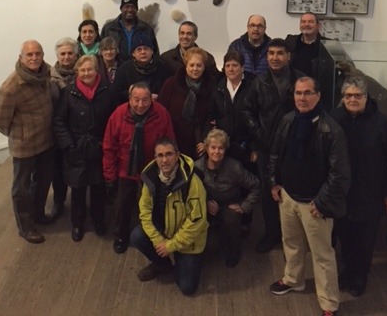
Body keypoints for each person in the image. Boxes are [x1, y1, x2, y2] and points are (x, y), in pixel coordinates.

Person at [268, 76, 350, 316]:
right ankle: (294, 279)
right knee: (291, 244)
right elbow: (275, 153)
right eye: (298, 93)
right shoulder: (288, 120)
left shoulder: (332, 130)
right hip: (288, 197)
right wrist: (274, 183)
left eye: (307, 93)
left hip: (315, 205)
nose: (302, 98)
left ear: (318, 95)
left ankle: (328, 304)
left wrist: (322, 202)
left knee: (322, 255)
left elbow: (340, 173)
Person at [331, 76, 387, 297]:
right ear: (343, 98)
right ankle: (348, 270)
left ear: (366, 97)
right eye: (348, 95)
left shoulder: (382, 123)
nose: (353, 99)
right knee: (345, 234)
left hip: (371, 193)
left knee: (365, 238)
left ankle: (360, 275)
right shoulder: (335, 118)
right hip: (343, 192)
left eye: (358, 95)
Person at [243, 38, 304, 253]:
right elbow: (247, 110)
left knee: (293, 192)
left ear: (288, 56)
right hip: (266, 148)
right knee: (269, 193)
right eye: (271, 53)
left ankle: (293, 237)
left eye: (279, 53)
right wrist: (259, 135)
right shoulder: (259, 82)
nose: (275, 58)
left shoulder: (300, 81)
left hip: (294, 147)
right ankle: (271, 234)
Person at [0, 40, 56, 244]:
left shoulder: (46, 73)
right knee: (22, 188)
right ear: (21, 58)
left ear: (43, 55)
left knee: (43, 180)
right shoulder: (10, 88)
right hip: (24, 146)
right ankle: (26, 227)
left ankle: (38, 214)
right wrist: (20, 133)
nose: (34, 58)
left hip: (46, 140)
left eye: (38, 53)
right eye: (29, 55)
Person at [102, 82, 175, 254]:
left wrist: (168, 168)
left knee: (154, 204)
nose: (140, 104)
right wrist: (110, 176)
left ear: (151, 99)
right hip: (125, 168)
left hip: (153, 167)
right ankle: (121, 235)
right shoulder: (118, 114)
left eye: (145, 100)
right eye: (136, 100)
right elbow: (109, 147)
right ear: (129, 99)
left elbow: (169, 141)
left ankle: (150, 235)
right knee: (123, 204)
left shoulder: (161, 113)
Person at [130, 137, 208, 295]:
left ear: (177, 155)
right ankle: (162, 263)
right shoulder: (149, 177)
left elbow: (197, 221)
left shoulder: (193, 182)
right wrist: (158, 240)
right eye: (160, 155)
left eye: (169, 154)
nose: (164, 160)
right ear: (155, 158)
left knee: (187, 287)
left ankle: (181, 260)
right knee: (136, 236)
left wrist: (171, 245)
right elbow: (144, 212)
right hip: (163, 230)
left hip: (188, 239)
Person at [53, 55, 116, 242]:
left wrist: (107, 143)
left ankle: (98, 220)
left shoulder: (108, 91)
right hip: (76, 148)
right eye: (82, 70)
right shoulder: (68, 92)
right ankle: (77, 224)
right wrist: (68, 145)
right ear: (77, 72)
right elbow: (59, 121)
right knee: (78, 189)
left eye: (90, 69)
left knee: (98, 188)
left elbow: (115, 119)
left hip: (100, 147)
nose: (86, 73)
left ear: (97, 71)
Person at [195, 129, 260, 267]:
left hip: (228, 205)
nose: (216, 152)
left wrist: (243, 206)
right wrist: (205, 202)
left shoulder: (234, 167)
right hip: (206, 204)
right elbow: (192, 193)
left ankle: (233, 251)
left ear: (225, 150)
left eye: (221, 148)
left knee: (231, 218)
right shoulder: (197, 167)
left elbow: (256, 185)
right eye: (213, 147)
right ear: (206, 148)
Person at [159, 47, 215, 159]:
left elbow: (212, 116)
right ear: (186, 65)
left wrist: (205, 140)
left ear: (204, 66)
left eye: (199, 65)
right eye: (191, 65)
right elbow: (161, 113)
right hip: (174, 139)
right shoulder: (170, 84)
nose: (195, 69)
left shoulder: (212, 86)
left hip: (199, 143)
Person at [207, 50, 254, 167]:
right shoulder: (217, 87)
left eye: (235, 65)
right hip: (223, 147)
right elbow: (211, 116)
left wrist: (255, 147)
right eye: (228, 66)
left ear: (242, 67)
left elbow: (257, 118)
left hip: (246, 146)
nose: (231, 69)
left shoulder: (252, 87)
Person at [49, 37, 78, 218]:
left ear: (76, 54)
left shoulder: (84, 73)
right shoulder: (48, 78)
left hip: (78, 128)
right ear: (57, 56)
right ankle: (59, 202)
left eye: (69, 53)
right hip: (57, 131)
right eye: (62, 54)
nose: (66, 57)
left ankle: (79, 204)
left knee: (77, 169)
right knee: (57, 170)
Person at [114, 32, 173, 103]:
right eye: (139, 49)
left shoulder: (164, 67)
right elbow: (116, 93)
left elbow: (172, 90)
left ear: (152, 51)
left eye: (146, 49)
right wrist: (130, 93)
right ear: (133, 53)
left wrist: (160, 97)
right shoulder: (124, 69)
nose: (143, 52)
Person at [101, 0, 159, 64]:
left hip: (140, 68)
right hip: (116, 68)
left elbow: (155, 53)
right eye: (127, 6)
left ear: (136, 9)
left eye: (133, 7)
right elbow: (101, 53)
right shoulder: (109, 29)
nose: (130, 9)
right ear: (121, 9)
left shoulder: (146, 29)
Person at [285, 12, 325, 78]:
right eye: (303, 22)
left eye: (310, 22)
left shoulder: (327, 44)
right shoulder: (291, 41)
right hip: (294, 83)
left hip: (318, 83)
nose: (306, 24)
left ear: (318, 25)